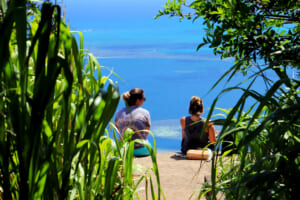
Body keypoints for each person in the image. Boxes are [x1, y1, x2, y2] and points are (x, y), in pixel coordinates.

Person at [114, 88, 151, 157]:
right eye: (143, 99)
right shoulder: (145, 113)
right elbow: (146, 133)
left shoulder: (119, 112)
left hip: (123, 150)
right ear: (137, 100)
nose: (144, 100)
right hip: (140, 150)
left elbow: (118, 130)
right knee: (150, 146)